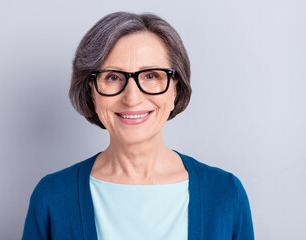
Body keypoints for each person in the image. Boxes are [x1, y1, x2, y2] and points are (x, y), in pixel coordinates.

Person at [22, 12, 254, 240]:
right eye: (112, 77)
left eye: (151, 76)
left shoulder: (226, 195)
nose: (132, 98)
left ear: (176, 89)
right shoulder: (51, 198)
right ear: (91, 91)